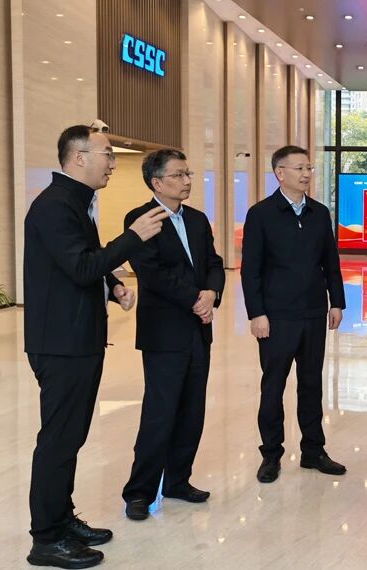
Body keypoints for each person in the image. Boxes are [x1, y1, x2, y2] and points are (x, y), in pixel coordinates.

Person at [23, 125, 166, 569]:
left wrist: (113, 286)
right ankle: (46, 539)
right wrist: (133, 237)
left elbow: (83, 264)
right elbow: (81, 266)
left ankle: (62, 519)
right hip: (60, 343)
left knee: (71, 437)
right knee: (58, 440)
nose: (112, 162)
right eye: (106, 153)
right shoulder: (54, 206)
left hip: (78, 338)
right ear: (78, 157)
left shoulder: (75, 203)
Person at [121, 149, 225, 522]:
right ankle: (139, 492)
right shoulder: (140, 219)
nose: (187, 181)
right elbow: (150, 272)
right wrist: (195, 299)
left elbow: (214, 263)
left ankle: (178, 480)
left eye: (188, 174)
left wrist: (211, 293)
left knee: (192, 410)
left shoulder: (197, 219)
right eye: (178, 175)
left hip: (199, 328)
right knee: (160, 412)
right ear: (156, 182)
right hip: (164, 332)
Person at [241, 145, 347, 484]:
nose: (306, 174)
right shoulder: (261, 214)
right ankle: (271, 454)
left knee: (311, 384)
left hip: (313, 313)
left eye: (309, 168)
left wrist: (336, 302)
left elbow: (330, 262)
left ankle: (313, 451)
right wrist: (257, 313)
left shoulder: (319, 213)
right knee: (273, 386)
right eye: (299, 168)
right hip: (276, 317)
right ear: (280, 173)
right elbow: (250, 270)